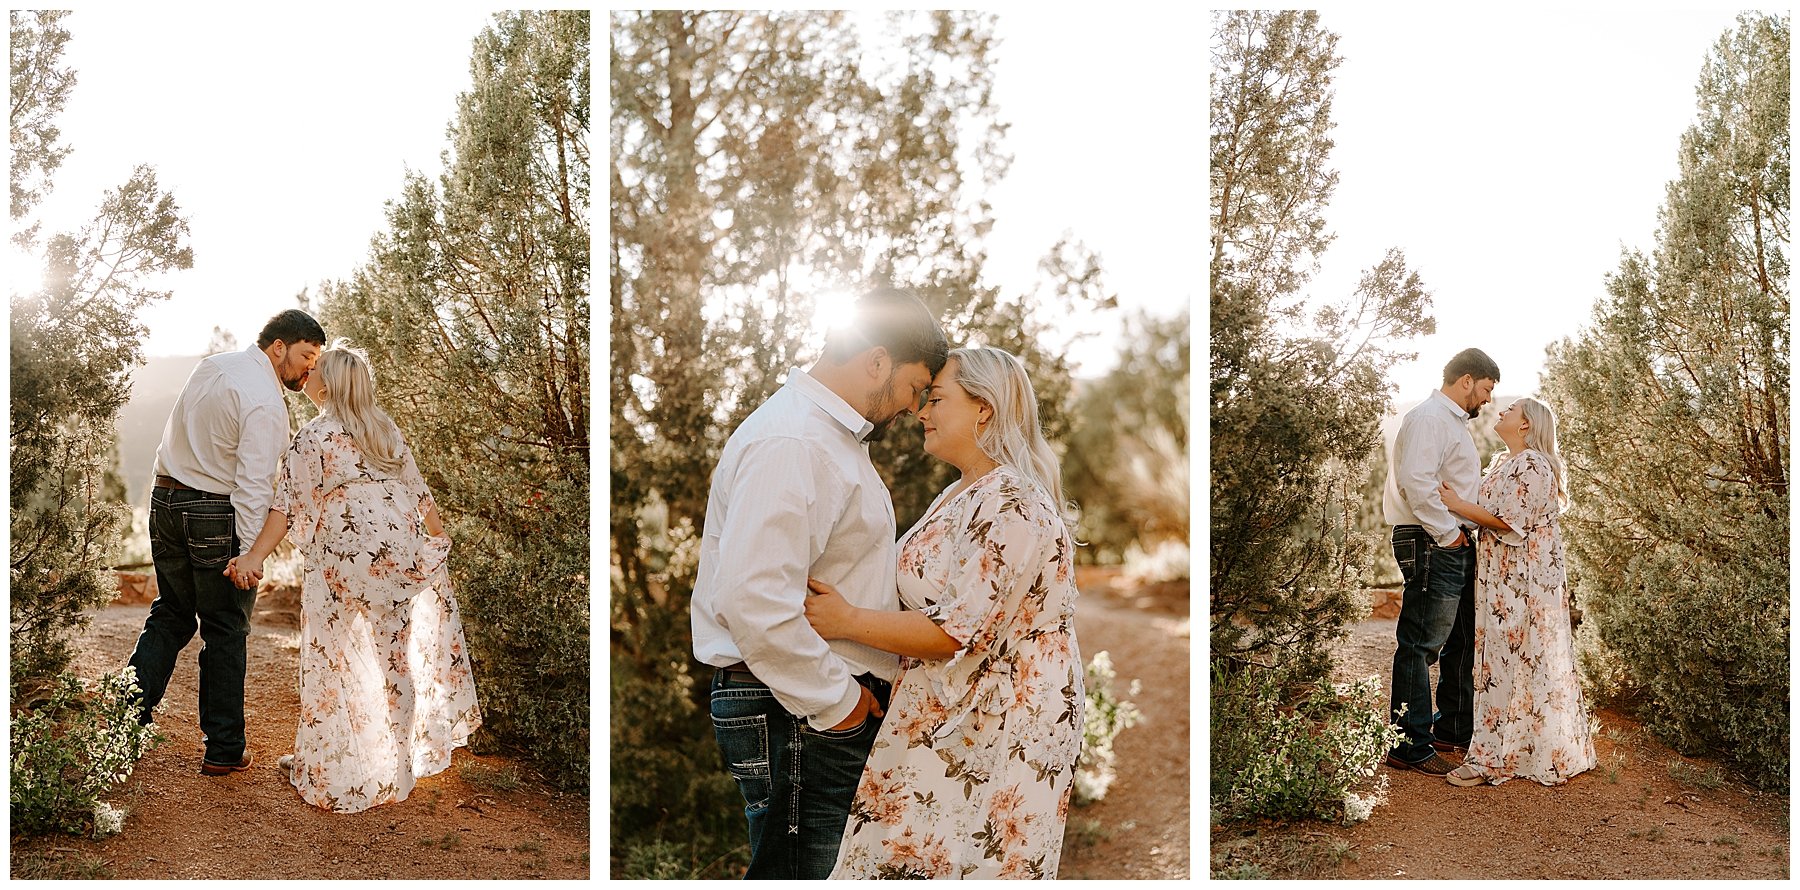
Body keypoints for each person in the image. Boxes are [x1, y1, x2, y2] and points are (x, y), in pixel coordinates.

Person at [691, 287, 948, 879]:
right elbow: (753, 599)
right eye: (915, 389)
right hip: (798, 708)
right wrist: (842, 705)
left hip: (803, 705)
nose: (914, 408)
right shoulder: (795, 441)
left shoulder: (826, 440)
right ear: (877, 362)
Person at [805, 346, 1085, 879]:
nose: (921, 412)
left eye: (936, 399)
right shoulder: (962, 492)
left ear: (984, 408)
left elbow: (955, 632)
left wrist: (844, 619)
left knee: (971, 865)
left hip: (1002, 719)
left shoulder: (1012, 500)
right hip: (953, 711)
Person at [226, 340, 481, 813]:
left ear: (329, 383)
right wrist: (436, 546)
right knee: (395, 658)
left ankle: (323, 764)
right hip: (396, 554)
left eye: (317, 368)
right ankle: (398, 766)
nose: (310, 373)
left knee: (329, 657)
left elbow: (284, 508)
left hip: (341, 557)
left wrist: (253, 556)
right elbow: (421, 496)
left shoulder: (314, 435)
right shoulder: (385, 429)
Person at [124, 309, 326, 776]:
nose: (309, 370)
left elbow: (170, 434)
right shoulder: (267, 403)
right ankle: (223, 749)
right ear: (279, 347)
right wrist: (251, 556)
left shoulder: (211, 366)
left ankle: (121, 721)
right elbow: (255, 486)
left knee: (171, 613)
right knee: (225, 628)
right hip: (214, 512)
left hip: (165, 498)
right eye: (305, 356)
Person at [1438, 398, 1596, 787]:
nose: (1502, 410)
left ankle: (1492, 758)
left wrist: (1457, 504)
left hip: (1523, 581)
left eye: (1511, 410)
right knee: (1500, 660)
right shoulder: (1503, 463)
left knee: (1508, 660)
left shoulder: (1534, 465)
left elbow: (1509, 522)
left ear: (1526, 425)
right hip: (1501, 577)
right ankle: (1507, 747)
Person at [1381, 348, 1499, 775]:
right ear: (1466, 380)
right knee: (1420, 645)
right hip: (1432, 539)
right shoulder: (1431, 418)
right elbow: (1417, 482)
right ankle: (1409, 745)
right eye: (1486, 389)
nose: (1487, 399)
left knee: (1461, 639)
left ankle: (1451, 728)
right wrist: (1448, 535)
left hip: (1449, 540)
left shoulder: (1448, 421)